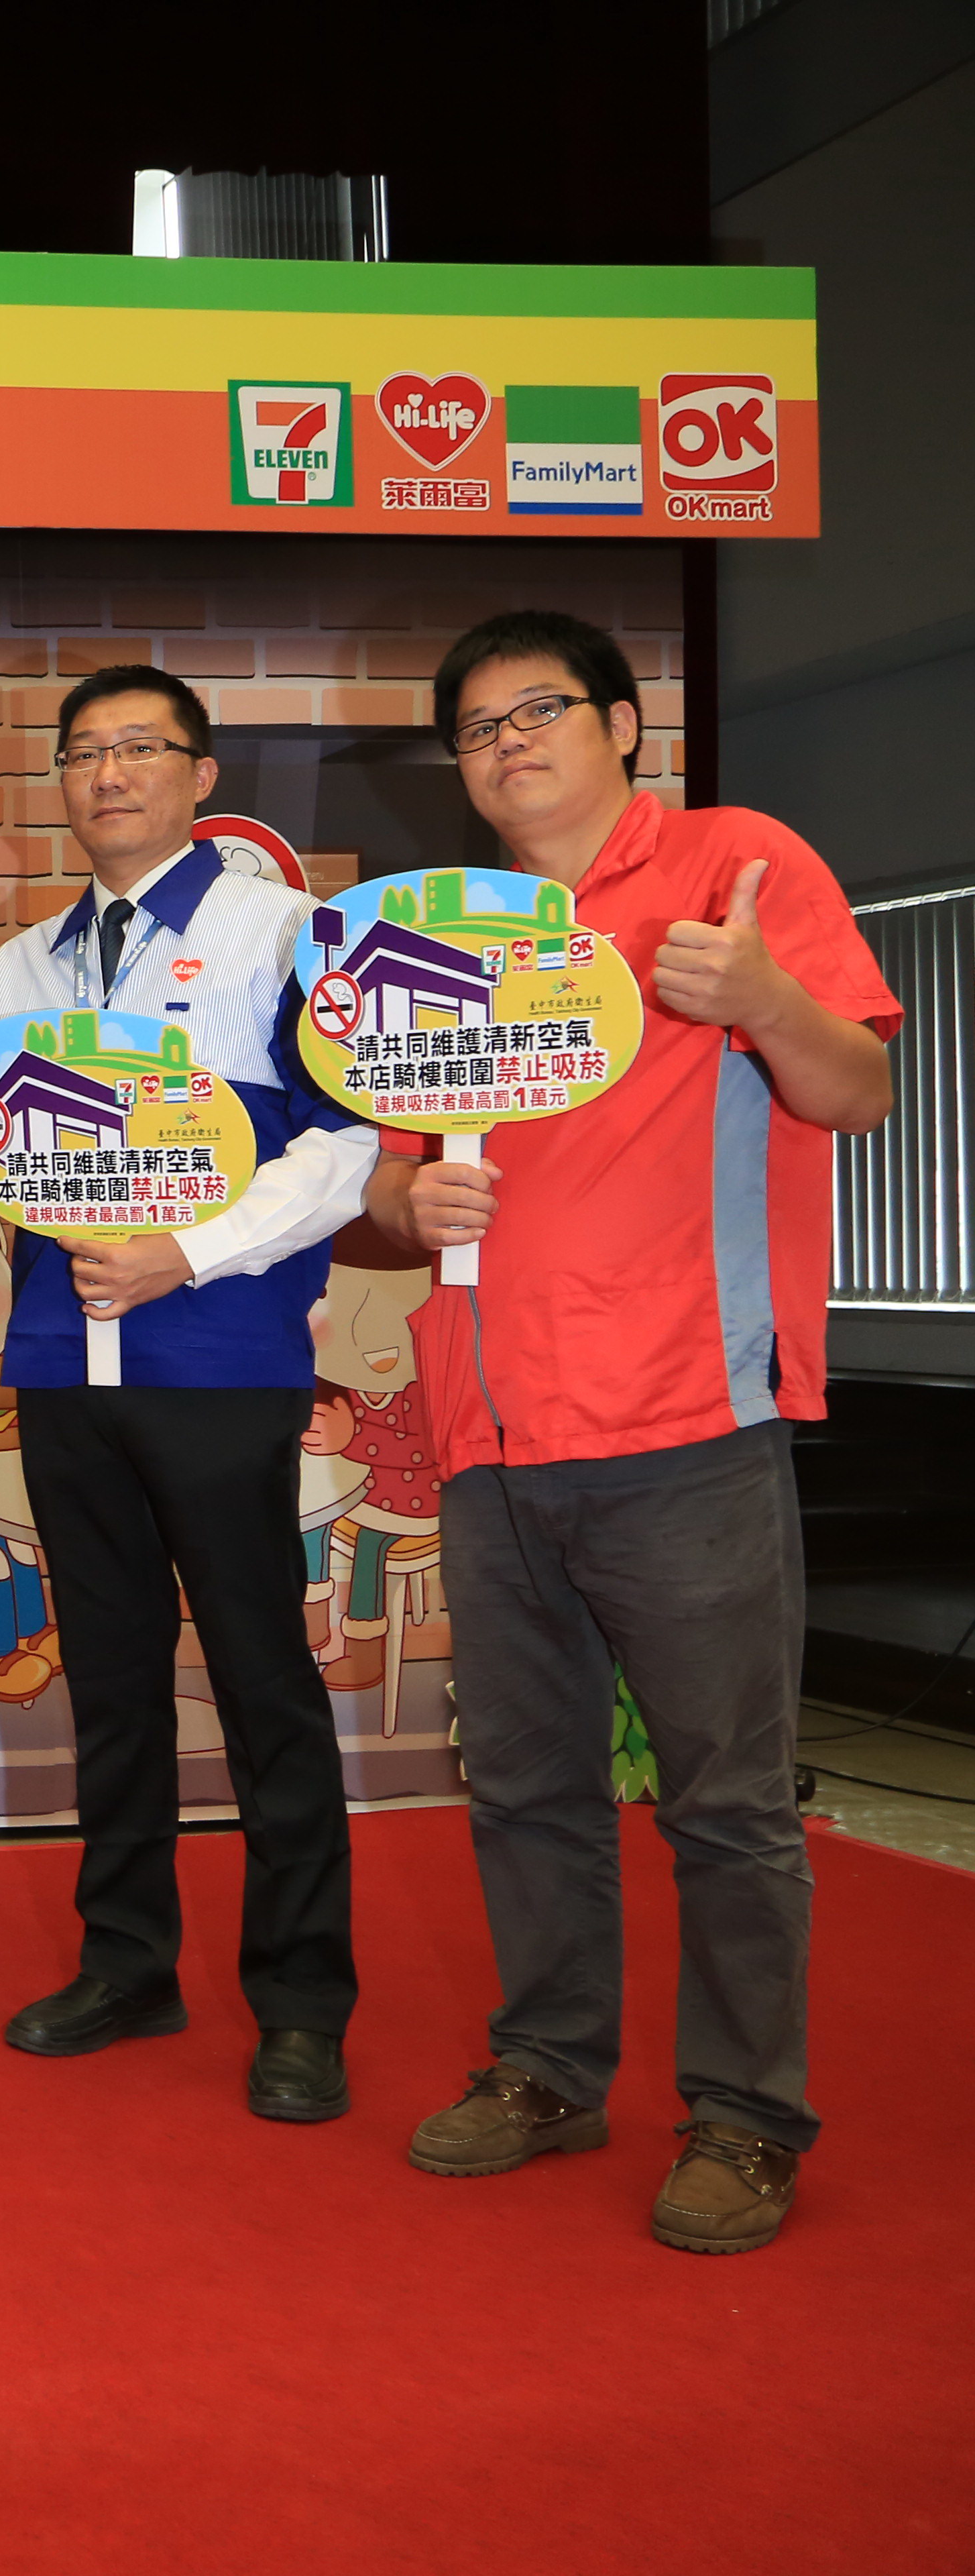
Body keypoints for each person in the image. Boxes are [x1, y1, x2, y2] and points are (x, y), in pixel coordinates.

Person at [372, 610, 898, 2253]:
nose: (507, 745)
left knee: (724, 1801)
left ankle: (747, 2118)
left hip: (685, 1420)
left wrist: (764, 998)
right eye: (476, 729)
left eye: (539, 710)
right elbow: (388, 1189)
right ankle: (549, 2069)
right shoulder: (450, 939)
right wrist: (402, 1201)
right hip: (489, 1431)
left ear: (621, 724)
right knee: (526, 1790)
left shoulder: (739, 865)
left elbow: (857, 1094)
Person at [0, 664, 371, 2122]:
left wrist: (180, 1255)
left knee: (264, 1684)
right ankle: (129, 1963)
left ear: (201, 775)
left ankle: (303, 2006)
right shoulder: (23, 967)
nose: (109, 774)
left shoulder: (285, 935)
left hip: (217, 1358)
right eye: (83, 753)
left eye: (140, 747)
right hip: (63, 1368)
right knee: (116, 1684)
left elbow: (341, 1149)